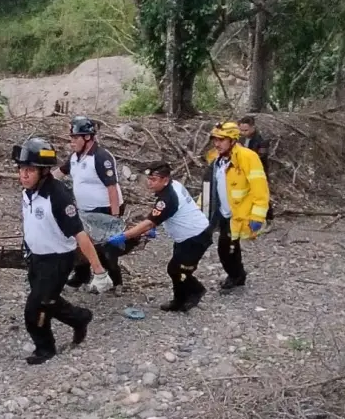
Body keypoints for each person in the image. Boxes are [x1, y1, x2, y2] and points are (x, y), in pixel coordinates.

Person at [13, 137, 114, 365]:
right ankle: (80, 318)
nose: (24, 175)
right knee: (48, 299)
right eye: (21, 169)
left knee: (35, 308)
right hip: (36, 257)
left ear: (43, 171)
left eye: (30, 170)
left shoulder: (58, 196)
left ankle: (45, 348)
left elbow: (80, 234)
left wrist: (98, 270)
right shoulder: (28, 192)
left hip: (57, 260)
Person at [107, 162, 214, 312]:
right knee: (176, 268)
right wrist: (154, 226)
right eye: (149, 179)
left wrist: (124, 236)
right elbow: (161, 215)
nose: (149, 183)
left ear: (165, 180)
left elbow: (150, 222)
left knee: (177, 269)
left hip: (195, 237)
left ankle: (196, 291)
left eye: (154, 180)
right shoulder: (173, 186)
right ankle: (179, 300)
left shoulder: (168, 198)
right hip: (186, 236)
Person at [198, 121, 270, 292]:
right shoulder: (215, 158)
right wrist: (200, 209)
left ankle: (236, 275)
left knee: (225, 248)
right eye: (215, 139)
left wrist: (257, 216)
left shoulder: (248, 157)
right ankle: (238, 275)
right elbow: (209, 187)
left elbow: (260, 189)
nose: (217, 143)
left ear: (233, 140)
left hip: (238, 213)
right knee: (230, 246)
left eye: (222, 140)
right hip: (221, 211)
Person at [59, 115, 125, 289]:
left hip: (105, 208)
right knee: (80, 240)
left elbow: (112, 187)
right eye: (71, 138)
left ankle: (115, 279)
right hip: (84, 210)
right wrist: (42, 180)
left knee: (104, 246)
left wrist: (115, 216)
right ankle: (82, 274)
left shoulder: (101, 157)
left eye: (75, 138)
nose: (72, 141)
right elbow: (60, 172)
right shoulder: (75, 158)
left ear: (87, 137)